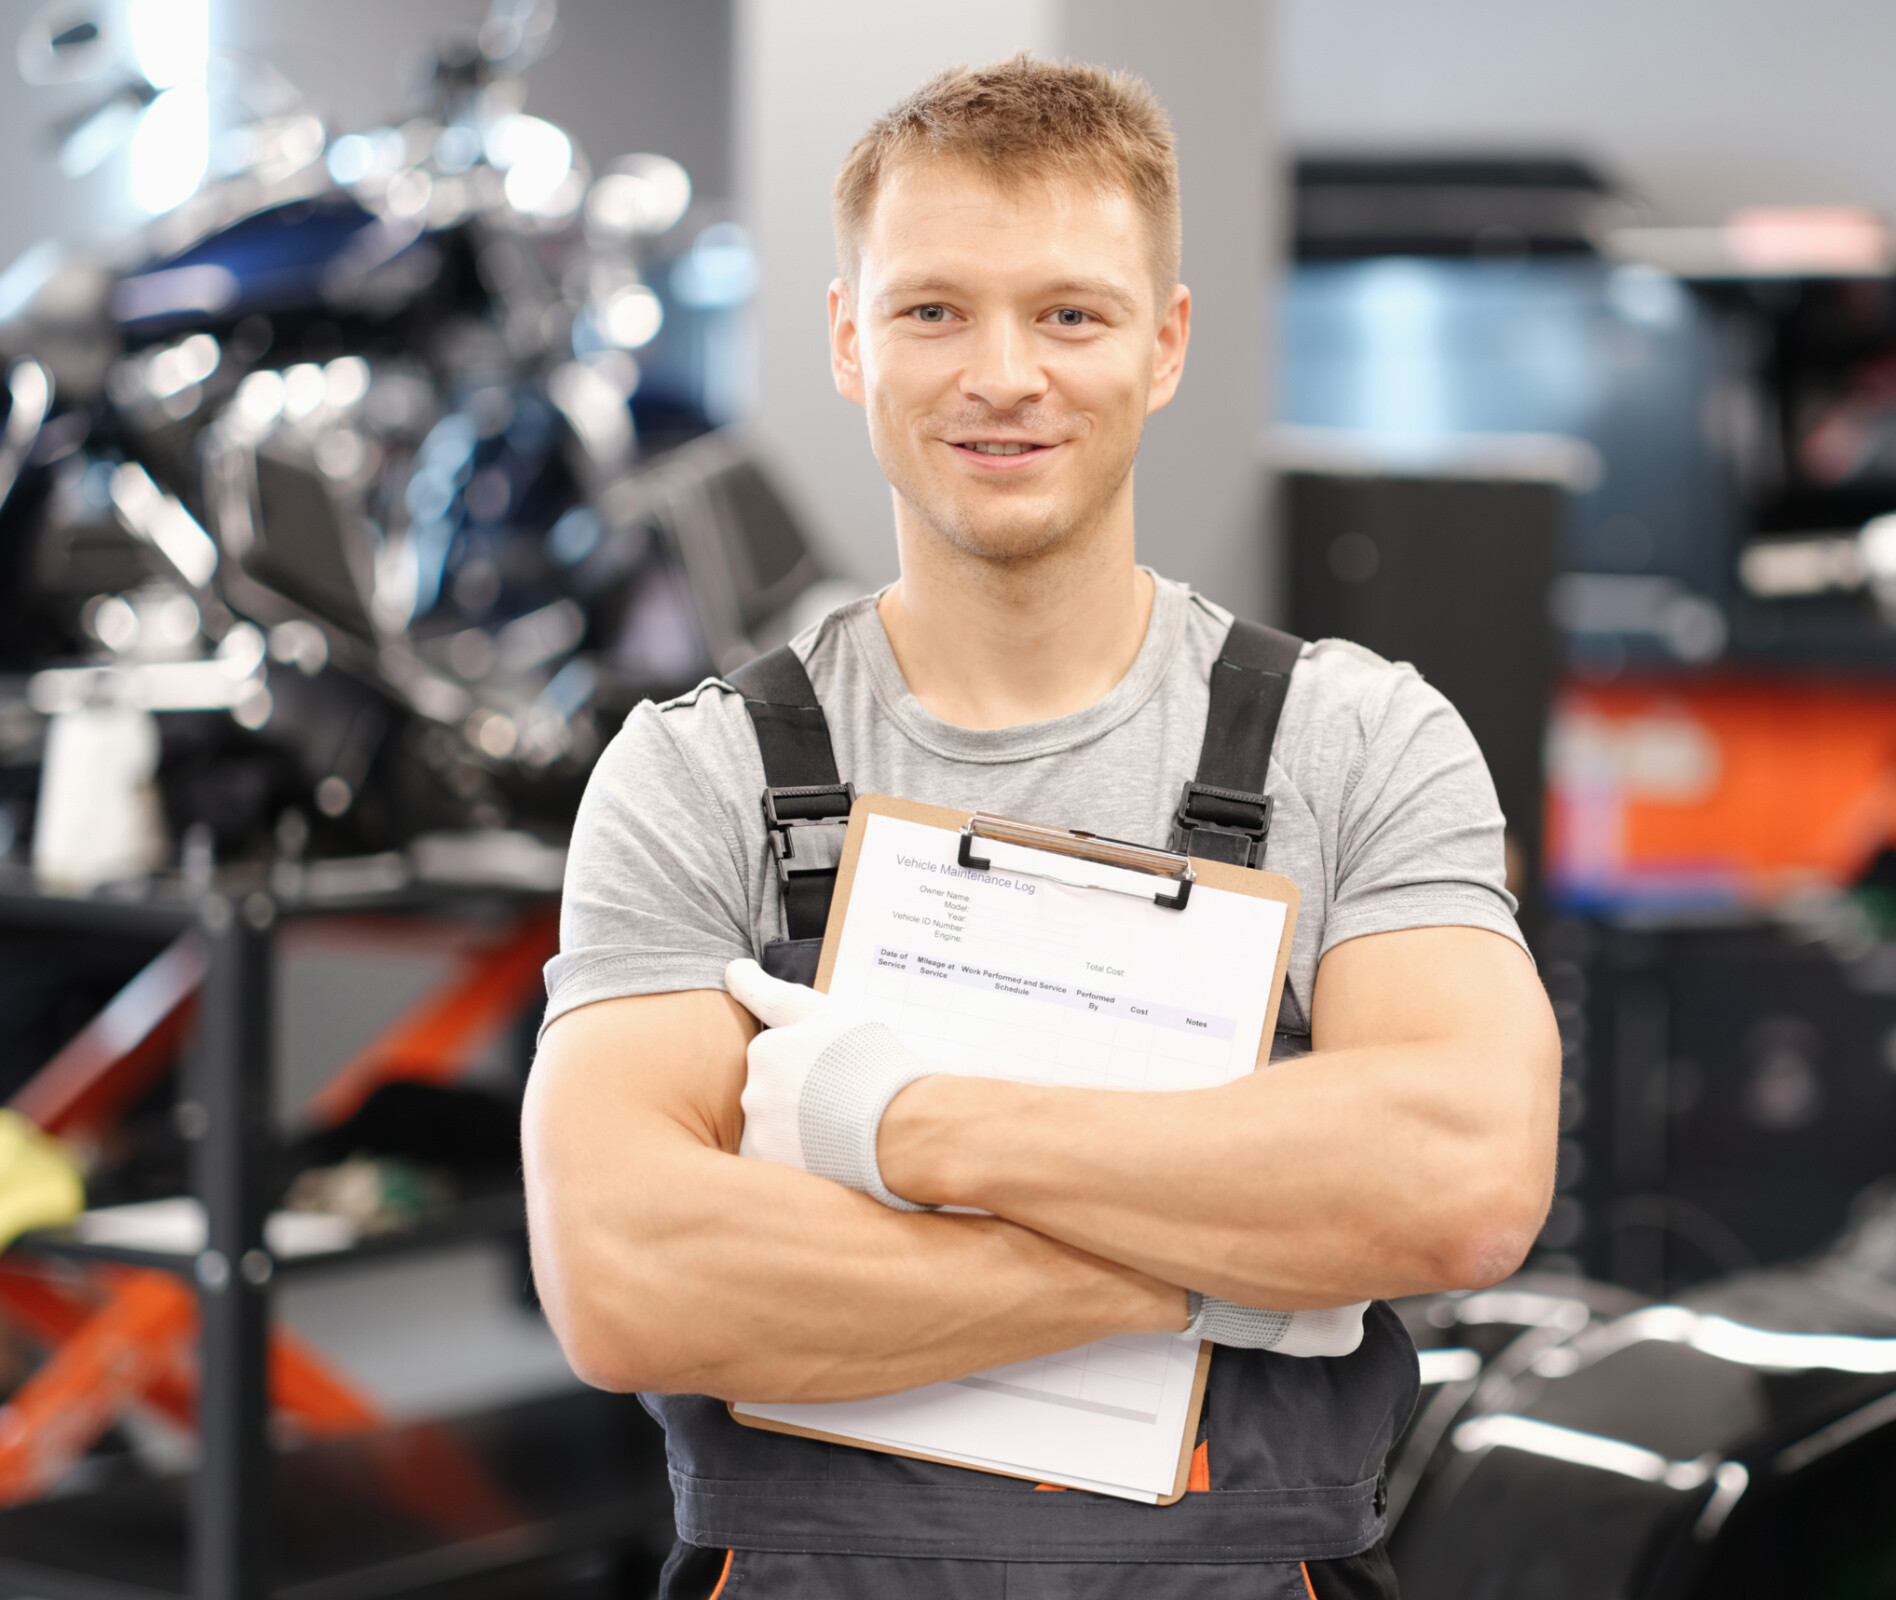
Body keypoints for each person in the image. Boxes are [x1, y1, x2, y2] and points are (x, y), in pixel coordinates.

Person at [522, 53, 1560, 1600]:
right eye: (933, 309)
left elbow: (1461, 1176)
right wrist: (1233, 1270)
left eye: (1069, 312)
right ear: (847, 339)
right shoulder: (706, 773)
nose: (1002, 373)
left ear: (1165, 342)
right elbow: (625, 1276)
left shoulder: (1357, 740)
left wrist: (893, 1124)